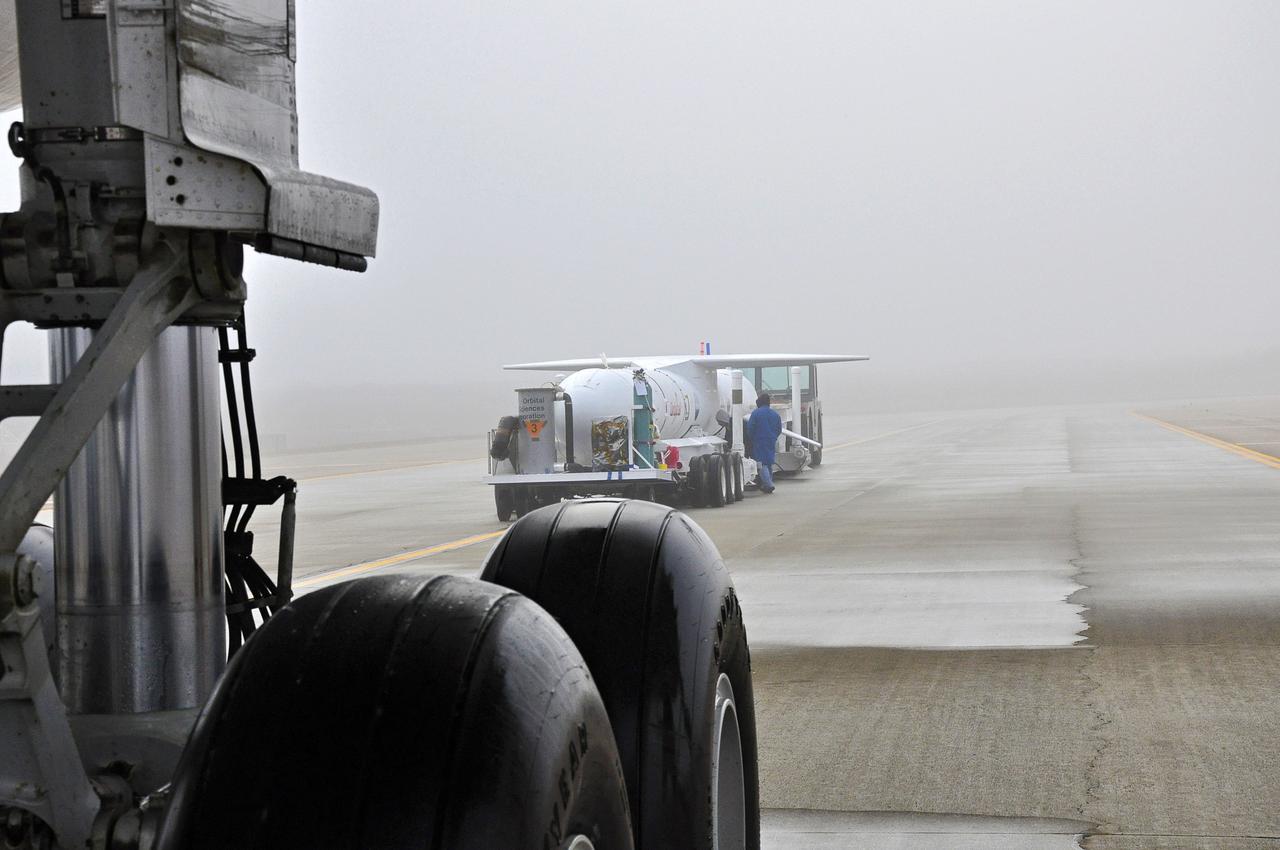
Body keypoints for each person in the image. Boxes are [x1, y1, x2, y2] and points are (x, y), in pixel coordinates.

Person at [746, 392, 782, 494]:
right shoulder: (775, 414)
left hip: (759, 440)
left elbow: (750, 428)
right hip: (771, 440)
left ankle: (768, 484)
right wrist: (773, 436)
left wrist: (751, 438)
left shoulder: (756, 413)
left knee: (761, 463)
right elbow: (779, 429)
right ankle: (768, 482)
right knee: (769, 462)